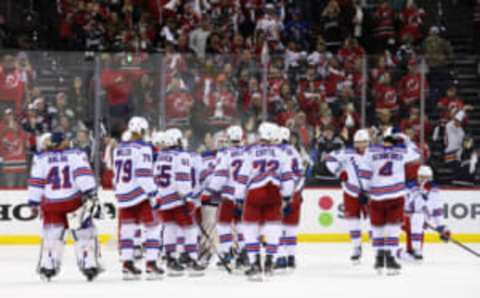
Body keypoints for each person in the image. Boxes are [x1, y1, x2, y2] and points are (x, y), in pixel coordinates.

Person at [27, 132, 102, 281]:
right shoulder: (75, 154)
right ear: (61, 142)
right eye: (66, 140)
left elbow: (36, 182)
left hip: (51, 203)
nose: (68, 141)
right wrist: (91, 193)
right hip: (73, 201)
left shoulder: (41, 158)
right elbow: (82, 175)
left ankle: (48, 267)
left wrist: (33, 202)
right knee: (84, 234)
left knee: (51, 236)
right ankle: (89, 265)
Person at [241, 122, 295, 281]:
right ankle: (270, 263)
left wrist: (238, 197)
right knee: (273, 228)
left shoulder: (250, 152)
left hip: (254, 194)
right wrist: (287, 196)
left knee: (251, 229)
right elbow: (287, 178)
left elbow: (243, 177)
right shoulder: (282, 153)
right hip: (274, 193)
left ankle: (255, 264)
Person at [113, 116, 163, 280]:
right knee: (153, 227)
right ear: (142, 131)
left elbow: (115, 175)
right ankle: (151, 264)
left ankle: (127, 264)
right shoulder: (143, 148)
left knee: (127, 230)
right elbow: (143, 175)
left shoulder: (118, 148)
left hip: (123, 194)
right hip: (140, 194)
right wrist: (154, 193)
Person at [365, 131, 421, 275]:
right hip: (395, 195)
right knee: (393, 229)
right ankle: (390, 259)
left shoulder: (371, 151)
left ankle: (378, 258)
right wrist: (407, 139)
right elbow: (417, 152)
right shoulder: (402, 151)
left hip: (376, 195)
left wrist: (364, 190)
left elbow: (363, 169)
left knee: (377, 229)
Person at [153, 128, 205, 276]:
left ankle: (170, 258)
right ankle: (190, 258)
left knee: (170, 227)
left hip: (163, 198)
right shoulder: (182, 156)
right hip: (178, 199)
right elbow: (182, 178)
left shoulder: (161, 156)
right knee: (190, 228)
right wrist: (187, 197)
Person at [204, 125, 249, 271]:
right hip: (244, 196)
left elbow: (220, 176)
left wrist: (210, 190)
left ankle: (227, 253)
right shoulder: (249, 153)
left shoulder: (226, 154)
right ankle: (244, 254)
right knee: (241, 225)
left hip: (229, 195)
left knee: (223, 224)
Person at [325, 129, 372, 263]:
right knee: (353, 221)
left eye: (363, 142)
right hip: (351, 192)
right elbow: (329, 158)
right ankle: (357, 247)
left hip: (370, 194)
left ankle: (378, 249)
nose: (360, 145)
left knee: (372, 222)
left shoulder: (374, 154)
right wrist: (339, 172)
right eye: (358, 143)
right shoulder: (347, 152)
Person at [402, 165, 450, 261]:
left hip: (422, 218)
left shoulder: (435, 191)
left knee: (418, 222)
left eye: (426, 177)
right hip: (406, 217)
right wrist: (410, 214)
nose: (424, 179)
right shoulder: (410, 187)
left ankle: (413, 251)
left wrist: (442, 228)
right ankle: (415, 249)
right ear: (418, 176)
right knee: (416, 219)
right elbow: (405, 204)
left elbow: (437, 210)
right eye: (422, 177)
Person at [276, 127, 305, 271]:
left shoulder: (276, 152)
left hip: (280, 194)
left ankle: (281, 258)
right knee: (291, 227)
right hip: (296, 193)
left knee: (278, 227)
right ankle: (291, 258)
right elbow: (301, 176)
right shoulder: (295, 153)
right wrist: (295, 193)